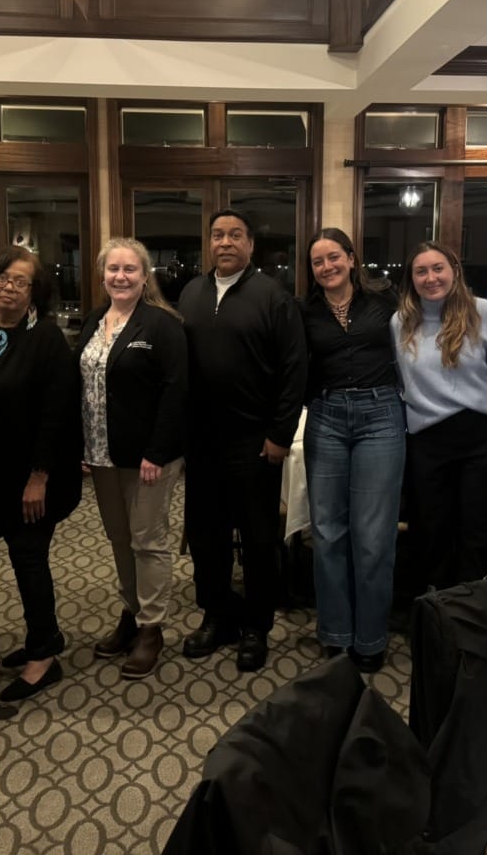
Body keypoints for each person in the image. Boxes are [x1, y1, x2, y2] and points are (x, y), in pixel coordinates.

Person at [178, 209, 307, 672]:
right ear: (208, 243)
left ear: (251, 244)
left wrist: (279, 435)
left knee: (257, 541)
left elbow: (295, 372)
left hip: (256, 443)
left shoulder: (274, 297)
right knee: (206, 537)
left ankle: (256, 626)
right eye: (217, 235)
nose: (225, 242)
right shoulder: (191, 293)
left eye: (235, 235)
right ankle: (218, 616)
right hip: (202, 444)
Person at [0, 247, 81, 702]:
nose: (9, 286)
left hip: (37, 476)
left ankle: (44, 653)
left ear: (36, 293)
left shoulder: (46, 338)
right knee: (20, 556)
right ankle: (41, 637)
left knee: (29, 557)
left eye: (21, 281)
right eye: (2, 278)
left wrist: (39, 476)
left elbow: (57, 414)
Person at [78, 238, 187, 680]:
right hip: (102, 455)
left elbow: (177, 391)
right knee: (120, 540)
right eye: (113, 270)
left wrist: (157, 452)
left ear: (145, 277)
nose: (120, 277)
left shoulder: (162, 325)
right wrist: (81, 447)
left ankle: (151, 628)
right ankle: (131, 613)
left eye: (130, 270)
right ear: (103, 274)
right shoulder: (93, 322)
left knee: (148, 541)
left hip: (149, 458)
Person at [300, 228, 404, 672]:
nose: (327, 267)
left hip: (380, 414)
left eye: (333, 257)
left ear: (351, 258)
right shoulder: (302, 312)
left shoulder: (385, 302)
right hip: (325, 416)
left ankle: (371, 637)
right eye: (318, 261)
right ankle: (337, 634)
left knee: (374, 536)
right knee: (327, 531)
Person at [392, 241, 487, 592]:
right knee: (430, 531)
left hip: (483, 438)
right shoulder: (400, 323)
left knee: (481, 532)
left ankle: (475, 618)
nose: (431, 278)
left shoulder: (485, 313)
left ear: (454, 271)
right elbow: (402, 381)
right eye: (421, 271)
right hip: (428, 441)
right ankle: (438, 618)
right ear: (411, 279)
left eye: (438, 268)